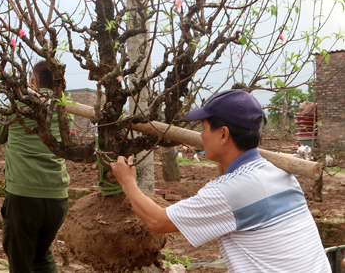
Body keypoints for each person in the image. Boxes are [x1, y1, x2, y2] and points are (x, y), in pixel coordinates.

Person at [111, 89, 330, 273]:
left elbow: (158, 221)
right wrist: (222, 158)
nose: (201, 135)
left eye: (204, 128)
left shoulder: (229, 192)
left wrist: (128, 182)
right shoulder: (282, 176)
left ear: (223, 135)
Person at [0, 60, 72, 273]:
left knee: (21, 262)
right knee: (40, 254)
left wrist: (3, 103)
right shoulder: (65, 107)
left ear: (32, 81)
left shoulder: (19, 104)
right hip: (57, 199)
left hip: (24, 198)